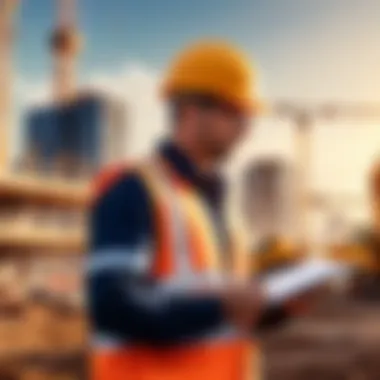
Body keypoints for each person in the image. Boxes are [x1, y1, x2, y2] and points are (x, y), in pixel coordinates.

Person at [89, 40, 265, 380]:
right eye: (235, 112)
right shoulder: (134, 188)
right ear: (189, 111)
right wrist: (221, 306)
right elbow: (112, 305)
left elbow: (227, 315)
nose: (247, 128)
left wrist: (278, 307)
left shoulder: (222, 209)